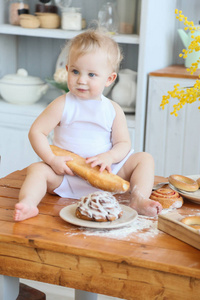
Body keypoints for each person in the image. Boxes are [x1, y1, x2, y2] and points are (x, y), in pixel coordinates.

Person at [14, 29, 162, 221]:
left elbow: (123, 144)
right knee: (36, 169)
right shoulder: (62, 104)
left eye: (92, 74)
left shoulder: (113, 109)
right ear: (67, 69)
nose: (81, 80)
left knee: (144, 159)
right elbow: (37, 132)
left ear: (109, 79)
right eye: (75, 71)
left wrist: (109, 157)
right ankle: (28, 203)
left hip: (107, 173)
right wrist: (51, 160)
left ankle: (139, 199)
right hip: (67, 175)